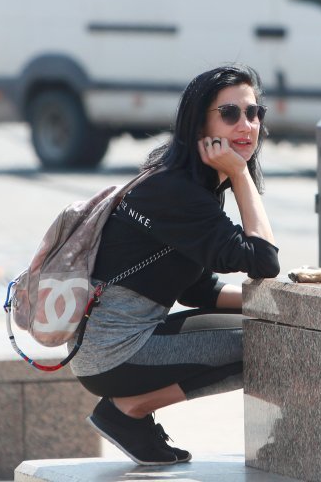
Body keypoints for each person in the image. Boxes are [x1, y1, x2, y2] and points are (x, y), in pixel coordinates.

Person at [70, 64, 280, 465]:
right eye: (231, 113)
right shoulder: (176, 190)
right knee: (266, 342)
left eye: (254, 113)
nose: (247, 124)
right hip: (115, 350)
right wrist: (240, 174)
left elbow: (197, 290)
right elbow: (263, 259)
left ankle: (128, 412)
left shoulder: (187, 184)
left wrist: (281, 308)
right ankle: (126, 410)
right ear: (199, 123)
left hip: (112, 346)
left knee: (272, 329)